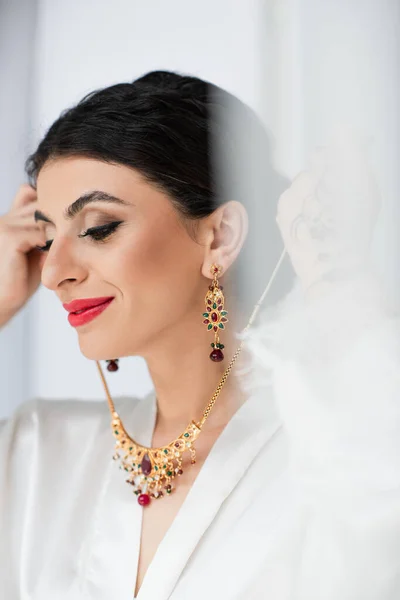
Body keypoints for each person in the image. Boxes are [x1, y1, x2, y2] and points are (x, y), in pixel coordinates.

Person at [0, 70, 399, 600]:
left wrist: (333, 273)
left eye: (97, 228)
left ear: (221, 237)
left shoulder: (335, 443)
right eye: (48, 239)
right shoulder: (39, 455)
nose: (53, 273)